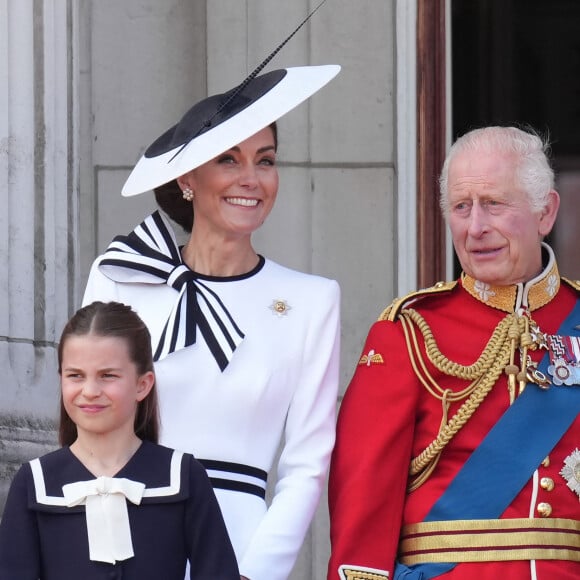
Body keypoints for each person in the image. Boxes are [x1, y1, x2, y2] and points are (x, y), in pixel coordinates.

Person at [82, 63, 342, 580]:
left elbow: (306, 464)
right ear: (187, 177)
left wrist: (255, 573)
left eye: (265, 161)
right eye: (228, 159)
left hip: (239, 547)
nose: (251, 179)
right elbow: (84, 428)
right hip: (122, 539)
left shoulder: (312, 301)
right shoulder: (120, 277)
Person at [327, 126, 580, 580]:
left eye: (494, 204)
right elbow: (363, 501)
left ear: (546, 212)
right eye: (462, 207)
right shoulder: (410, 333)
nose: (476, 227)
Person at [0, 301, 240, 579]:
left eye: (108, 376)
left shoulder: (183, 476)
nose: (90, 390)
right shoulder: (35, 482)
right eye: (75, 375)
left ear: (143, 385)